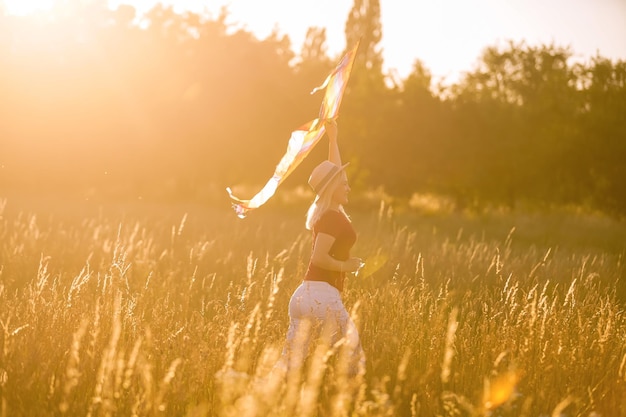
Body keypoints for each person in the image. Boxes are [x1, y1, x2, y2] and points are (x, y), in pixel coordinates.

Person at [278, 119, 365, 380]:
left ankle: (262, 397)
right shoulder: (332, 218)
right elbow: (318, 257)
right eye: (344, 184)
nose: (349, 187)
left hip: (303, 297)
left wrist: (333, 139)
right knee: (354, 360)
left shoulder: (327, 212)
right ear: (333, 189)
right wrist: (346, 266)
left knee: (289, 366)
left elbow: (333, 173)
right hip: (322, 297)